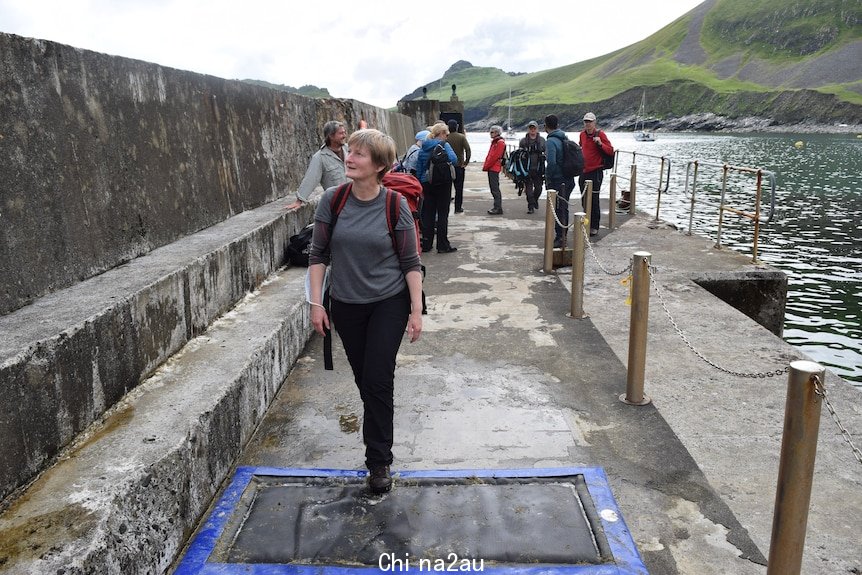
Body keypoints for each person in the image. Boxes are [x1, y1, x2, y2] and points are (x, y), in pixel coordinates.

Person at [306, 128, 423, 495]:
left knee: (377, 378)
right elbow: (318, 255)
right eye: (349, 150)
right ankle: (378, 438)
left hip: (389, 302)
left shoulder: (394, 205)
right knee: (364, 379)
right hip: (346, 304)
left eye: (359, 154)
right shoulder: (333, 199)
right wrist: (314, 305)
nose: (349, 157)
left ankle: (379, 461)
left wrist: (416, 311)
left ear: (380, 166)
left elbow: (410, 261)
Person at [285, 121, 349, 210]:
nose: (344, 136)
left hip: (356, 201)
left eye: (345, 132)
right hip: (338, 206)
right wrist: (299, 201)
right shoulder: (320, 157)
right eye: (341, 133)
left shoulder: (350, 150)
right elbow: (311, 178)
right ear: (331, 136)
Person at [415, 122, 458, 253]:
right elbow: (454, 159)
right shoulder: (444, 145)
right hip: (442, 183)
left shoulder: (424, 145)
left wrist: (420, 181)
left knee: (428, 213)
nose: (447, 137)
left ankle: (427, 244)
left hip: (427, 183)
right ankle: (442, 245)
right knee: (442, 214)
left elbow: (419, 165)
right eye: (446, 134)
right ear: (441, 133)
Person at [579, 112, 614, 236]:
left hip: (596, 172)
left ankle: (595, 226)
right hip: (584, 171)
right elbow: (581, 147)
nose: (587, 124)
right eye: (586, 121)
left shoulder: (601, 134)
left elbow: (610, 150)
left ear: (594, 123)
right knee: (584, 199)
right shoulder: (582, 134)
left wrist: (600, 143)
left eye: (590, 121)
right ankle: (586, 222)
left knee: (594, 199)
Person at [544, 114, 576, 248]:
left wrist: (548, 178)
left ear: (546, 126)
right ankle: (563, 234)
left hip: (558, 179)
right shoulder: (564, 137)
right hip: (569, 178)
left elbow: (551, 163)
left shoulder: (551, 141)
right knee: (563, 208)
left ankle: (560, 237)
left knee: (558, 209)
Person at [519, 120, 546, 214]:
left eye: (534, 128)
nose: (532, 130)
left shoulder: (542, 140)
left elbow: (546, 152)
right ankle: (530, 206)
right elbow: (519, 154)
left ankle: (535, 200)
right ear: (528, 129)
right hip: (527, 169)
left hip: (538, 169)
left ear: (537, 129)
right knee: (528, 190)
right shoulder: (523, 141)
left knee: (539, 188)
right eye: (531, 128)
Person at [446, 119, 471, 214]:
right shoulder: (461, 137)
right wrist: (466, 162)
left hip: (447, 166)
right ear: (456, 127)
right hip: (459, 166)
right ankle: (458, 208)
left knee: (447, 188)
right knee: (459, 189)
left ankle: (446, 207)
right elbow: (468, 150)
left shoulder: (446, 138)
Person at [482, 125, 506, 215]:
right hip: (493, 167)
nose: (490, 134)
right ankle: (497, 206)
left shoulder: (499, 142)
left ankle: (498, 207)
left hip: (494, 167)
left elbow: (494, 156)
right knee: (494, 188)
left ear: (497, 132)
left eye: (492, 132)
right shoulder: (496, 142)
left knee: (495, 188)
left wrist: (486, 166)